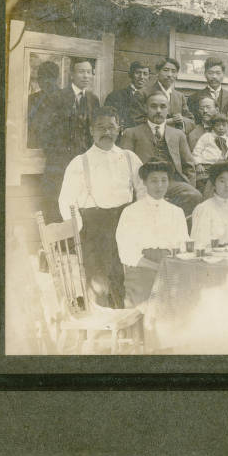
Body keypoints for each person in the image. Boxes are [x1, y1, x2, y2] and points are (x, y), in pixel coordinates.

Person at [57, 106, 145, 308]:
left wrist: (139, 219)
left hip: (125, 223)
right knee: (99, 283)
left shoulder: (130, 158)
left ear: (119, 129)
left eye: (111, 127)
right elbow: (66, 200)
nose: (106, 132)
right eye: (100, 127)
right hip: (94, 228)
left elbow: (142, 191)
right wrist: (79, 230)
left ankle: (127, 320)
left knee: (126, 276)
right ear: (91, 130)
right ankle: (103, 324)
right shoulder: (79, 163)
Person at [115, 159, 189, 308]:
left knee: (183, 299)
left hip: (170, 264)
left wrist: (172, 265)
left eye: (164, 180)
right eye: (154, 181)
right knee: (147, 307)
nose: (159, 185)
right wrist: (157, 267)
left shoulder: (176, 212)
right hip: (141, 268)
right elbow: (126, 252)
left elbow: (184, 245)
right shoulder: (130, 212)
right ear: (144, 182)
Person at [119, 91, 203, 216]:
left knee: (195, 195)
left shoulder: (178, 134)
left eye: (163, 106)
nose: (158, 110)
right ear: (145, 108)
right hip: (144, 184)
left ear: (168, 109)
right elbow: (124, 167)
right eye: (153, 106)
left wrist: (190, 186)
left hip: (172, 183)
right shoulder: (131, 133)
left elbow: (189, 166)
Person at [40, 57, 101, 221]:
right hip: (59, 164)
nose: (86, 76)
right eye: (81, 72)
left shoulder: (93, 100)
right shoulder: (56, 97)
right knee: (56, 207)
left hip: (83, 164)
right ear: (71, 74)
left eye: (89, 72)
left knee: (80, 206)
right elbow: (44, 131)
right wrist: (57, 155)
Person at [190, 161, 228, 247]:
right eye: (222, 181)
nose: (227, 185)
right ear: (214, 184)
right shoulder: (203, 209)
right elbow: (199, 244)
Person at [146, 57, 194, 132]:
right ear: (157, 72)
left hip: (173, 140)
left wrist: (182, 120)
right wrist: (168, 121)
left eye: (173, 71)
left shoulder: (179, 96)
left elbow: (191, 120)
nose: (169, 75)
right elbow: (138, 120)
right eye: (165, 70)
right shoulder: (144, 93)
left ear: (177, 74)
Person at [104, 61, 150, 132]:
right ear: (131, 74)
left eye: (145, 74)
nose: (141, 77)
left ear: (149, 77)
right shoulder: (115, 96)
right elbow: (107, 120)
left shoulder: (152, 98)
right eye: (138, 73)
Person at [187, 56, 228, 122]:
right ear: (205, 74)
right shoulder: (194, 98)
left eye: (218, 73)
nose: (214, 76)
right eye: (210, 73)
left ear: (223, 74)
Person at [27, 59, 59, 149]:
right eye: (40, 78)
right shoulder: (32, 99)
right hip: (35, 147)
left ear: (56, 79)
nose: (44, 82)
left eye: (49, 77)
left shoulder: (65, 98)